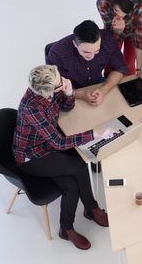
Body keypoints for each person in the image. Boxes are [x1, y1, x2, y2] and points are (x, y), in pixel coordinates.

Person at [13, 65, 114, 250]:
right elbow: (58, 143)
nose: (63, 81)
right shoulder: (32, 108)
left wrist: (68, 94)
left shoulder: (52, 86)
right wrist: (94, 133)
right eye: (59, 83)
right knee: (80, 166)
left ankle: (70, 226)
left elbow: (65, 108)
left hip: (46, 147)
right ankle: (89, 211)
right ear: (47, 92)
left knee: (71, 187)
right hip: (32, 157)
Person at [46, 20, 128, 106]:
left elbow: (121, 68)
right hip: (71, 93)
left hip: (98, 84)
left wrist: (103, 90)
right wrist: (80, 94)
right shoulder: (57, 53)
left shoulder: (108, 39)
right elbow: (54, 87)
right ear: (75, 44)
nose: (92, 56)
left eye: (97, 51)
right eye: (86, 52)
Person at [97, 0, 142, 80]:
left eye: (126, 12)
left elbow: (140, 35)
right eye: (116, 11)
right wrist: (118, 30)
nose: (121, 15)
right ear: (111, 5)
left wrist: (139, 69)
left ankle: (129, 85)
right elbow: (109, 33)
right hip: (114, 30)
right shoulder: (102, 2)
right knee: (111, 65)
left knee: (129, 64)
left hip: (135, 31)